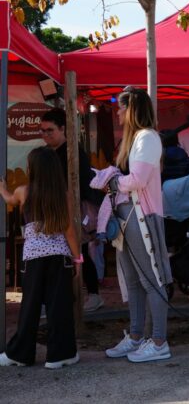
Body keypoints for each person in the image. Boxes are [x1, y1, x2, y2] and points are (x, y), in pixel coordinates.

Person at [104, 87, 173, 363]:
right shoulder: (138, 139)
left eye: (120, 107)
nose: (117, 112)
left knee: (150, 280)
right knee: (133, 281)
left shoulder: (146, 138)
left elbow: (137, 180)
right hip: (130, 216)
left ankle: (158, 341)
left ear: (130, 109)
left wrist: (111, 181)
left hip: (141, 217)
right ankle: (136, 337)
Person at [0, 147, 82, 368]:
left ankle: (19, 354)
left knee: (30, 306)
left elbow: (8, 198)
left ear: (33, 169)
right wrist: (78, 259)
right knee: (59, 307)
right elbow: (69, 230)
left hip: (32, 258)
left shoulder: (23, 192)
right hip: (59, 257)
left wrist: (2, 187)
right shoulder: (63, 195)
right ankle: (59, 355)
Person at [40, 108, 106, 312]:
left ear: (62, 129)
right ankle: (68, 298)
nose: (45, 134)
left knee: (79, 252)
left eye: (50, 130)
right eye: (42, 130)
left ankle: (92, 295)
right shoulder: (54, 152)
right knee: (70, 254)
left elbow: (72, 187)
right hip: (62, 210)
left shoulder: (70, 152)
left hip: (76, 210)